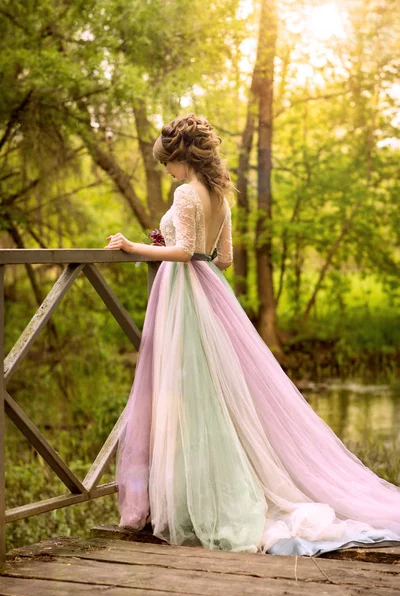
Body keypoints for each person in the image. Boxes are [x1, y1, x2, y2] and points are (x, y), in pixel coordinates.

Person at [105, 113, 400, 556]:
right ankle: (198, 491)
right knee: (212, 395)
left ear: (181, 158)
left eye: (166, 161)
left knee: (187, 397)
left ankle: (193, 500)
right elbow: (221, 259)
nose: (165, 169)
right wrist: (178, 248)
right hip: (212, 294)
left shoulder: (186, 192)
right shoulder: (221, 197)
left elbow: (183, 252)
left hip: (184, 299)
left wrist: (133, 246)